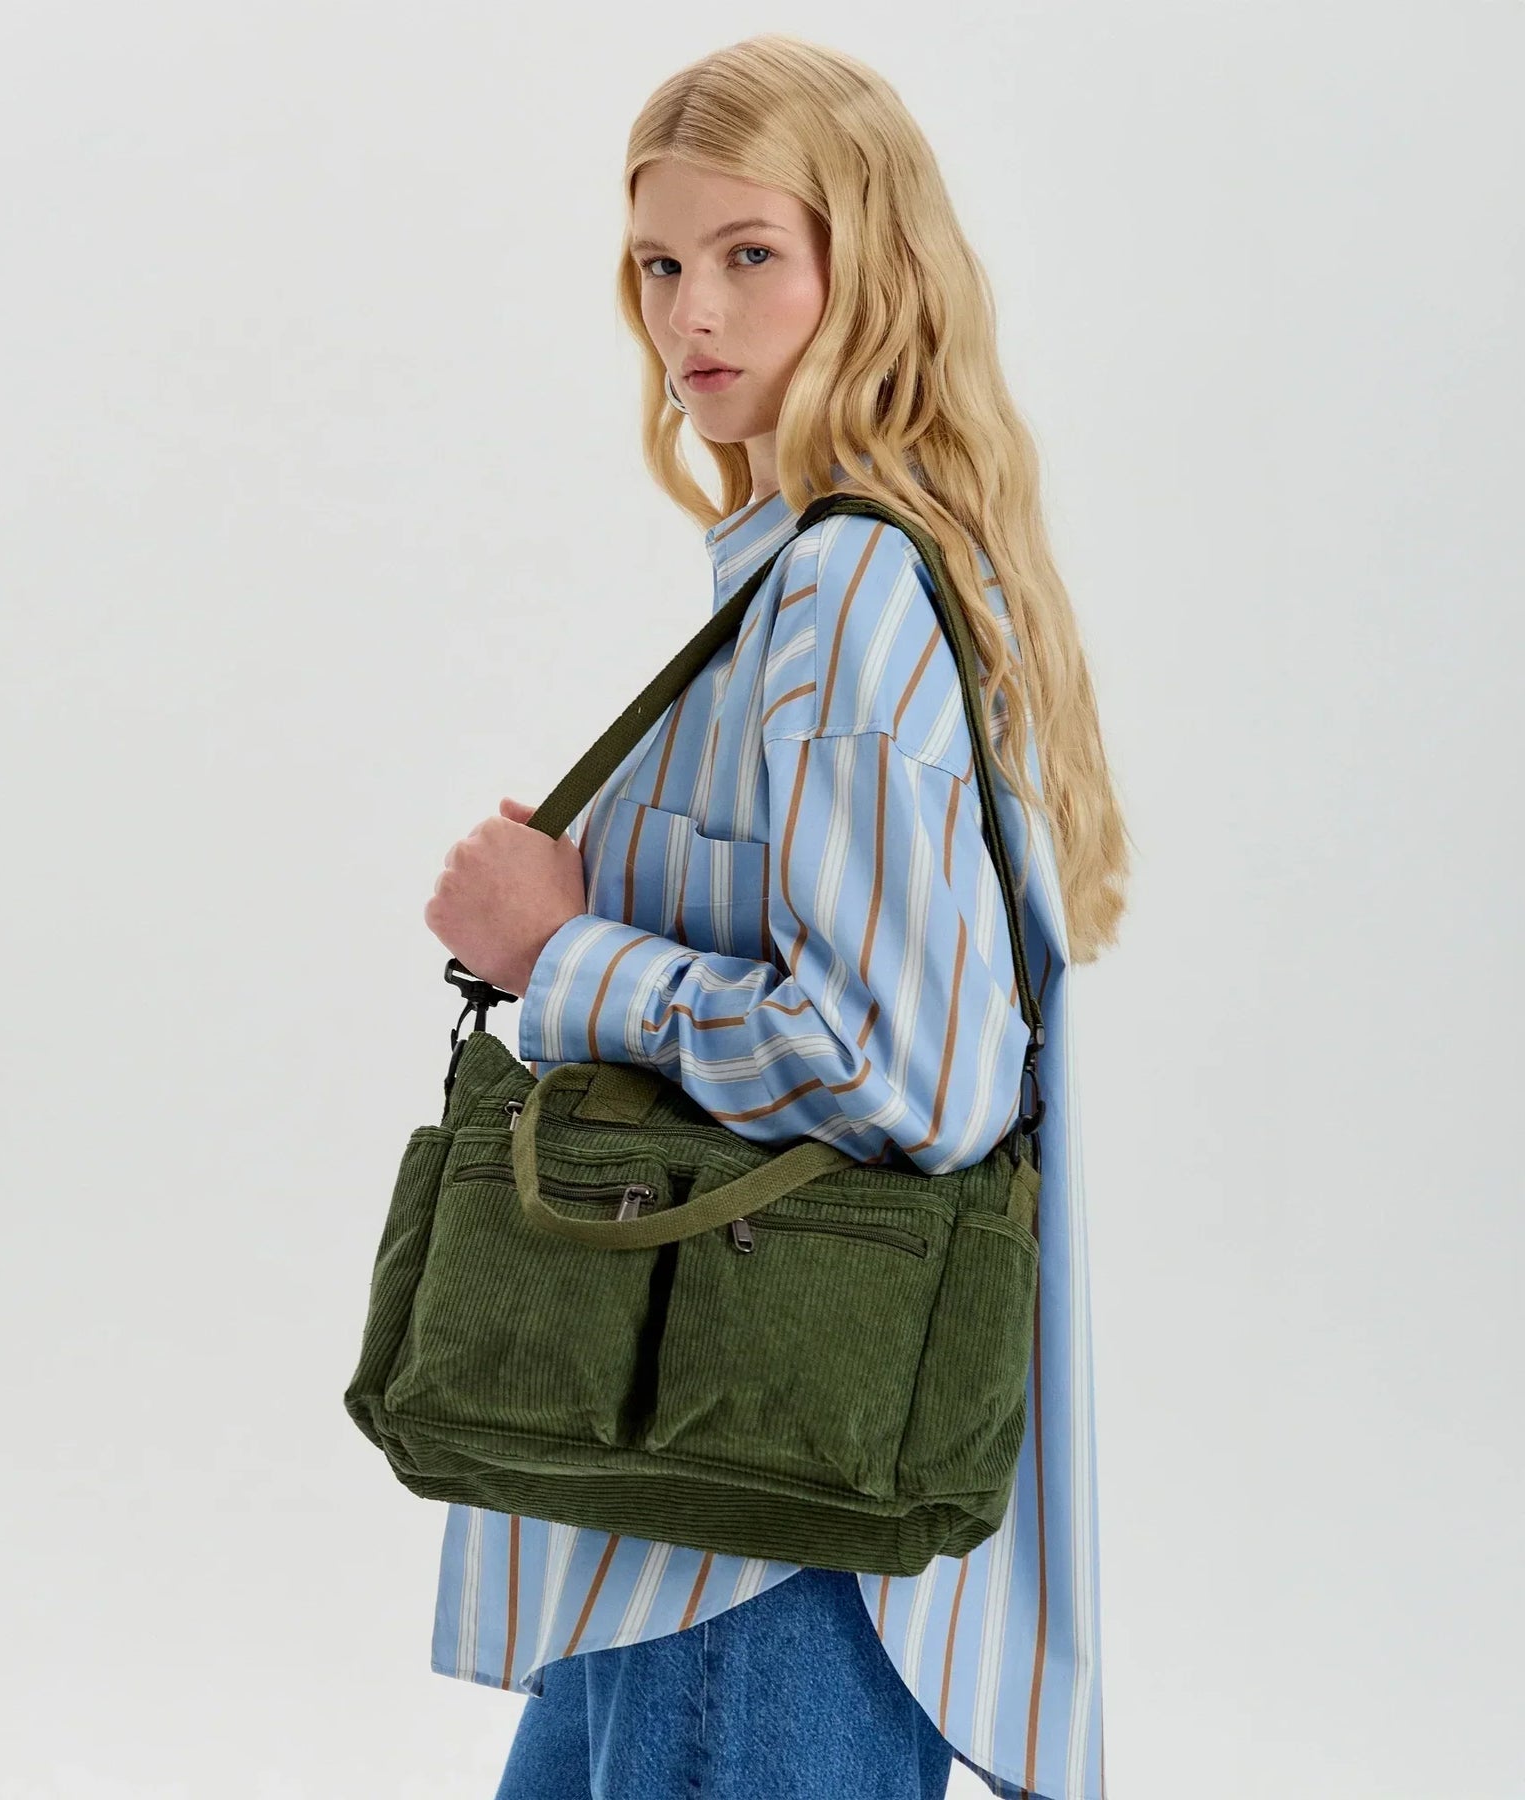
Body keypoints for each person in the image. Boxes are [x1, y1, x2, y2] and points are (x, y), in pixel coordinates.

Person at [420, 32, 1131, 1800]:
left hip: (756, 1544)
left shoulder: (845, 591)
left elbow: (915, 1076)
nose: (694, 317)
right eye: (662, 265)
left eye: (751, 254)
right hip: (691, 1507)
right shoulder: (843, 574)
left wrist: (560, 956)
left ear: (868, 264)